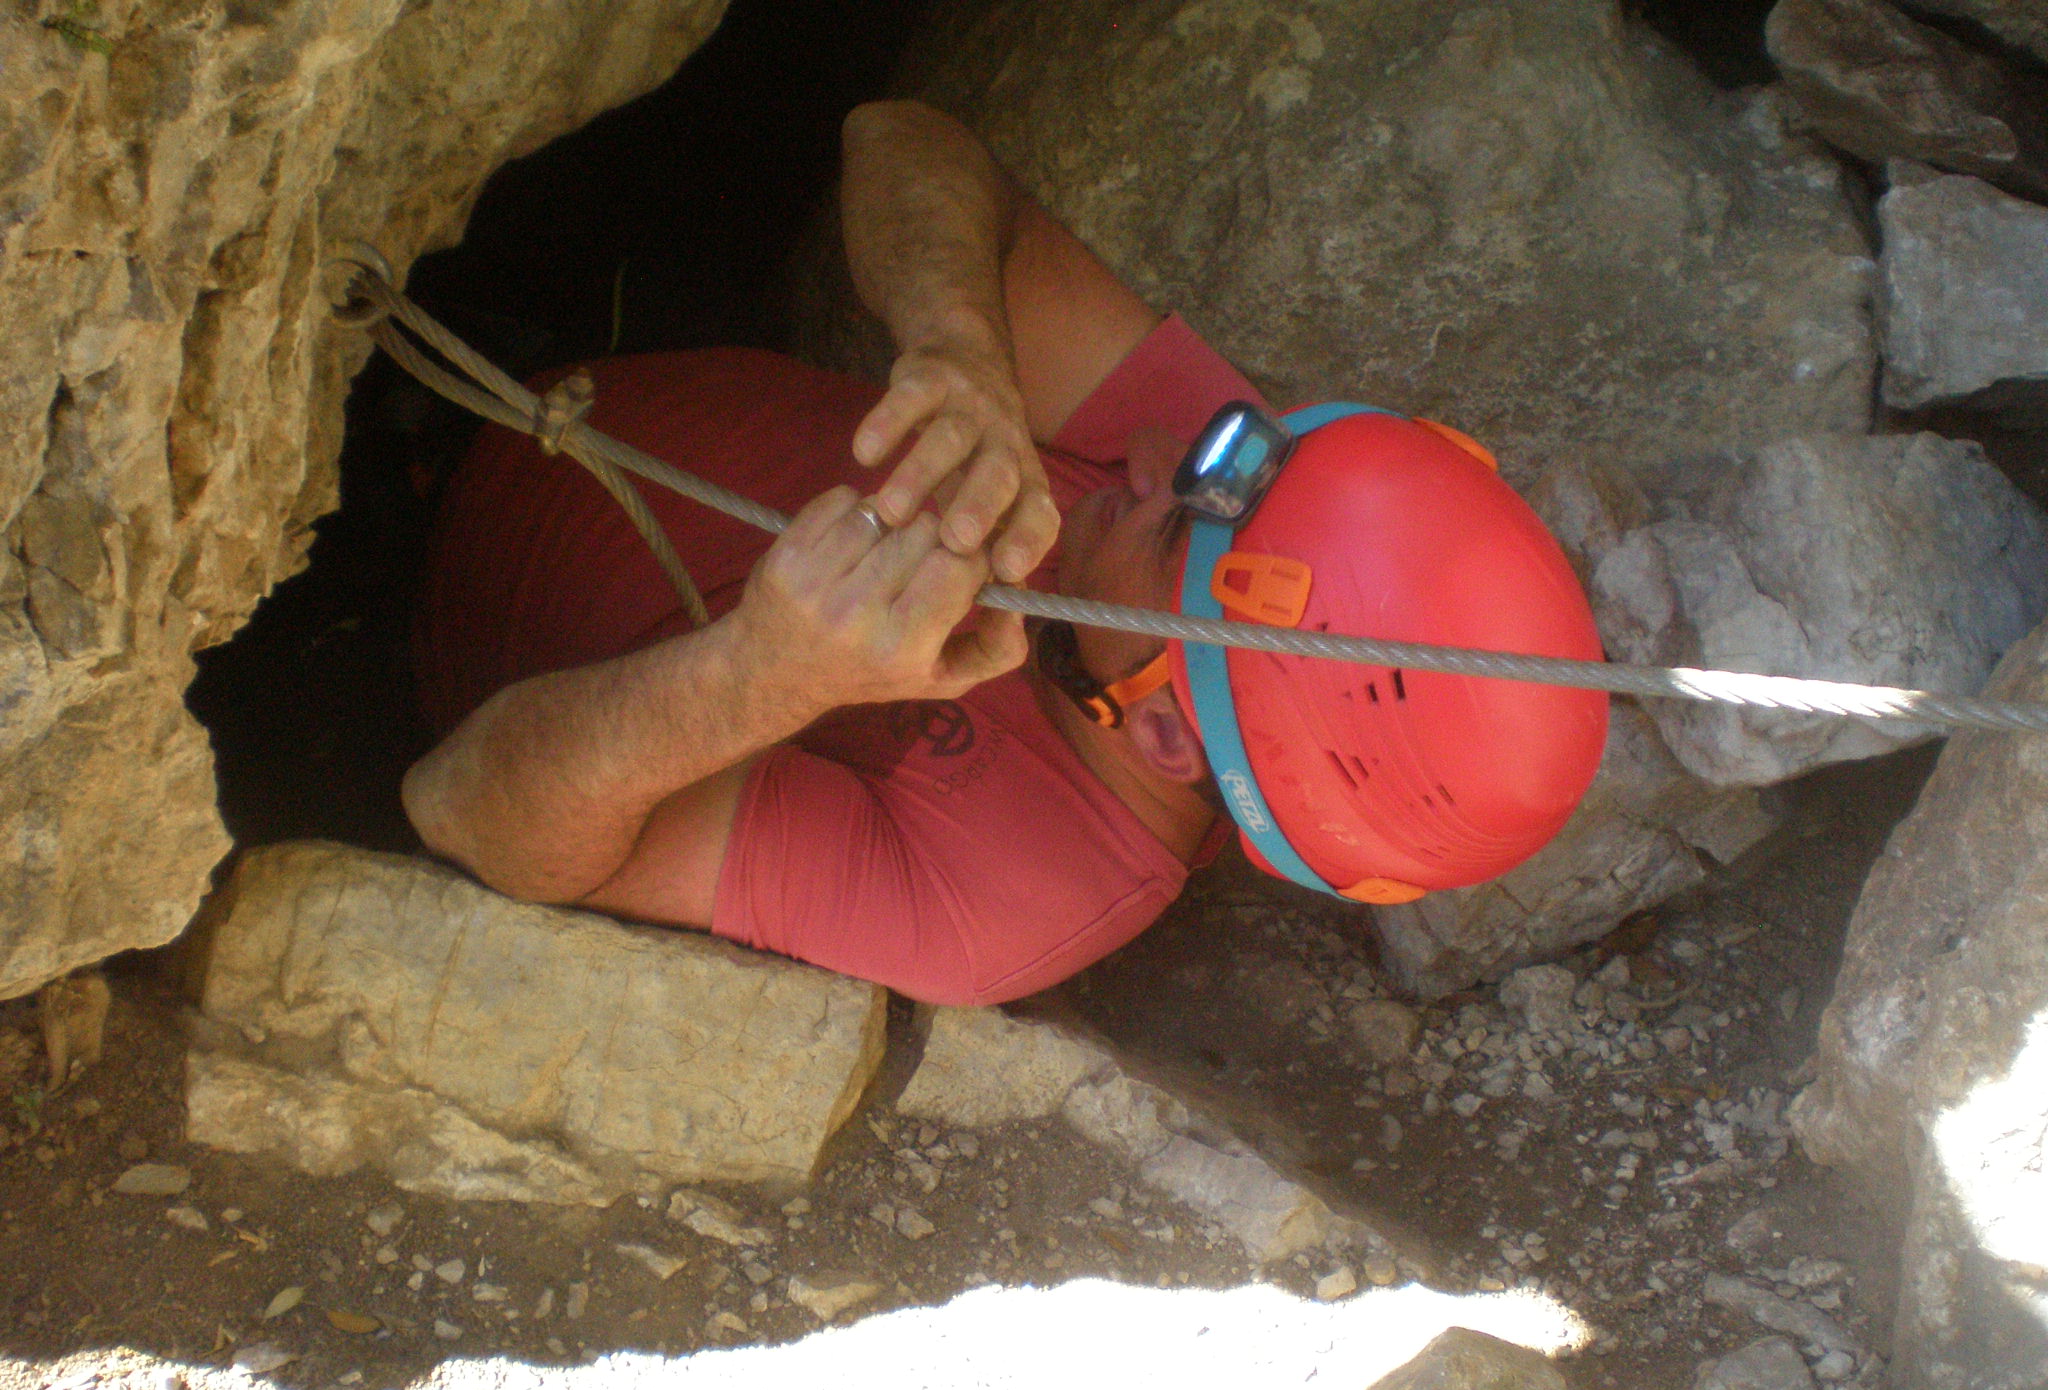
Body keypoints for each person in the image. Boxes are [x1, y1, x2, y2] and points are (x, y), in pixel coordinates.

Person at [403, 100, 1608, 1008]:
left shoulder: (992, 898)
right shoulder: (1233, 495)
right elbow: (896, 137)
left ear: (1163, 732)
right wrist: (959, 339)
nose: (1155, 453)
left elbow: (460, 808)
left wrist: (756, 678)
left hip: (399, 596)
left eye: (1172, 515)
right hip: (542, 373)